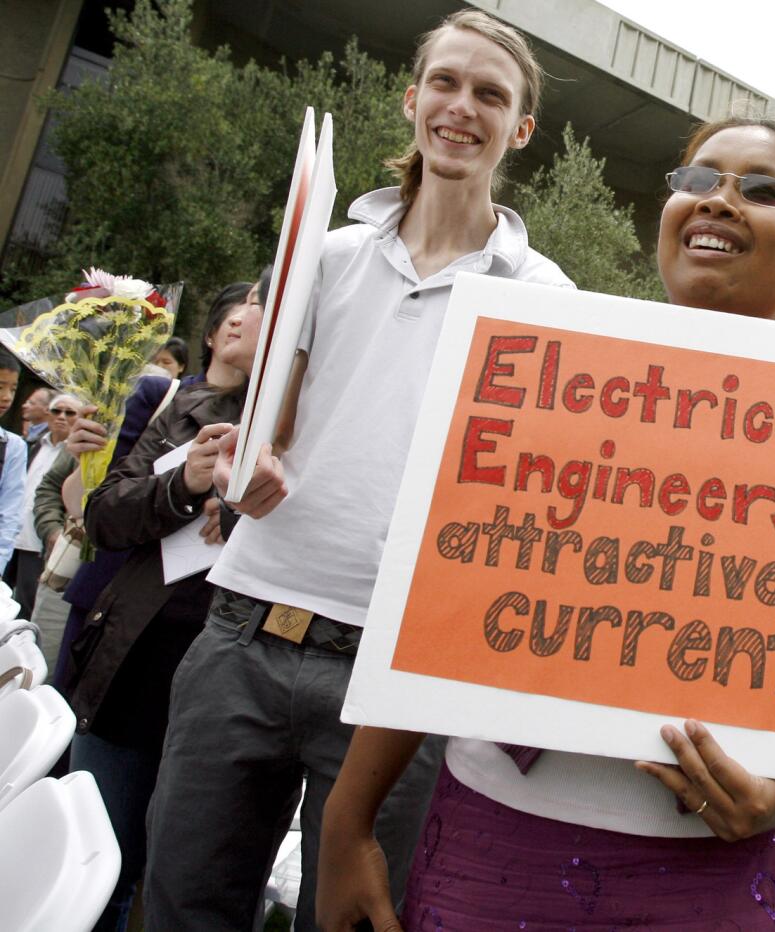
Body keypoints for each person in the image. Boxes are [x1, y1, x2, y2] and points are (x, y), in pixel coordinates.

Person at [318, 112, 775, 932]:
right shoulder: (543, 376)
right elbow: (435, 611)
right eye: (699, 181)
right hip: (492, 854)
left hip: (712, 877)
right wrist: (346, 825)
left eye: (764, 190)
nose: (720, 202)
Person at [141, 10, 572, 931]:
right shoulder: (324, 255)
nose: (462, 108)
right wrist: (244, 463)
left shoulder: (546, 300)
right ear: (412, 99)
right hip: (239, 637)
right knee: (180, 908)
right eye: (446, 83)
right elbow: (275, 426)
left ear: (521, 129)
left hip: (396, 682)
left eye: (490, 94)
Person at [67, 275, 266, 931]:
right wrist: (185, 483)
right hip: (133, 663)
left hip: (233, 681)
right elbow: (104, 517)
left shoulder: (298, 429)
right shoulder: (171, 405)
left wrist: (240, 512)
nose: (246, 315)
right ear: (210, 335)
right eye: (233, 309)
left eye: (263, 306)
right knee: (92, 868)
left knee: (183, 886)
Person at [5, 392, 80, 625]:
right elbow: (38, 491)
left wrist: (53, 531)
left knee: (26, 608)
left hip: (39, 546)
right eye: (56, 411)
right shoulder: (32, 445)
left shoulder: (75, 452)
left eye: (70, 412)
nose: (61, 417)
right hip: (13, 538)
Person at [0, 355, 27, 590]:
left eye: (13, 388)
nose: (6, 397)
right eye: (0, 387)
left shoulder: (12, 446)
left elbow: (10, 514)